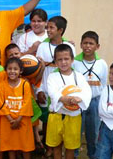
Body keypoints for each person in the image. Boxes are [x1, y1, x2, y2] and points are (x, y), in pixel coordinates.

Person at [36, 16, 76, 157]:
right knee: (48, 120)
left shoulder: (69, 47)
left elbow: (73, 70)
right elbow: (39, 70)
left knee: (64, 122)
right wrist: (40, 89)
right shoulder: (42, 46)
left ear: (60, 30)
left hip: (64, 92)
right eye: (47, 27)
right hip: (47, 91)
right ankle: (50, 148)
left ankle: (66, 147)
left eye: (51, 27)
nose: (48, 30)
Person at [46, 44, 92, 159]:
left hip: (73, 117)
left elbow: (87, 91)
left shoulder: (79, 76)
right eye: (60, 60)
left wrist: (79, 99)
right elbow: (53, 93)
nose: (63, 62)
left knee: (70, 147)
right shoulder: (52, 76)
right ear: (55, 62)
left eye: (66, 59)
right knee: (56, 145)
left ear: (72, 60)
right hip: (56, 116)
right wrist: (68, 99)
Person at [73, 31, 108, 158]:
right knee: (76, 133)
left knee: (93, 134)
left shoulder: (102, 64)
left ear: (97, 46)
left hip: (95, 102)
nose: (88, 46)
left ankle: (93, 156)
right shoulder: (75, 62)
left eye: (91, 43)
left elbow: (103, 85)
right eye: (85, 43)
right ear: (81, 45)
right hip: (78, 102)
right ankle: (74, 155)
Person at [0, 57, 35, 159]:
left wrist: (18, 120)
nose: (12, 71)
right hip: (7, 120)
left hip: (22, 120)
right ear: (6, 70)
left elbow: (27, 103)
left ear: (20, 71)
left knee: (25, 145)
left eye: (15, 69)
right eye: (9, 69)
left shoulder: (25, 85)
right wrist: (11, 120)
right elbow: (1, 104)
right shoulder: (2, 85)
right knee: (10, 145)